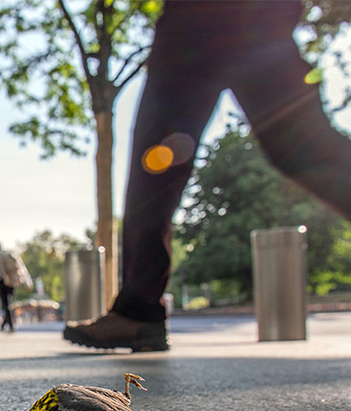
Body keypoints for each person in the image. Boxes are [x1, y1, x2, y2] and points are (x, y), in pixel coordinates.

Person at [65, 0, 351, 352]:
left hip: (200, 17)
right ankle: (138, 309)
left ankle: (139, 310)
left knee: (156, 156)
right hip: (253, 13)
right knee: (303, 148)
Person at [0, 243, 32, 332]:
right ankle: (5, 324)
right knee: (8, 304)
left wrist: (0, 280)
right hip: (12, 282)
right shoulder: (9, 255)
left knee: (5, 305)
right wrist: (27, 282)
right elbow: (22, 268)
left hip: (2, 282)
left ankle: (10, 325)